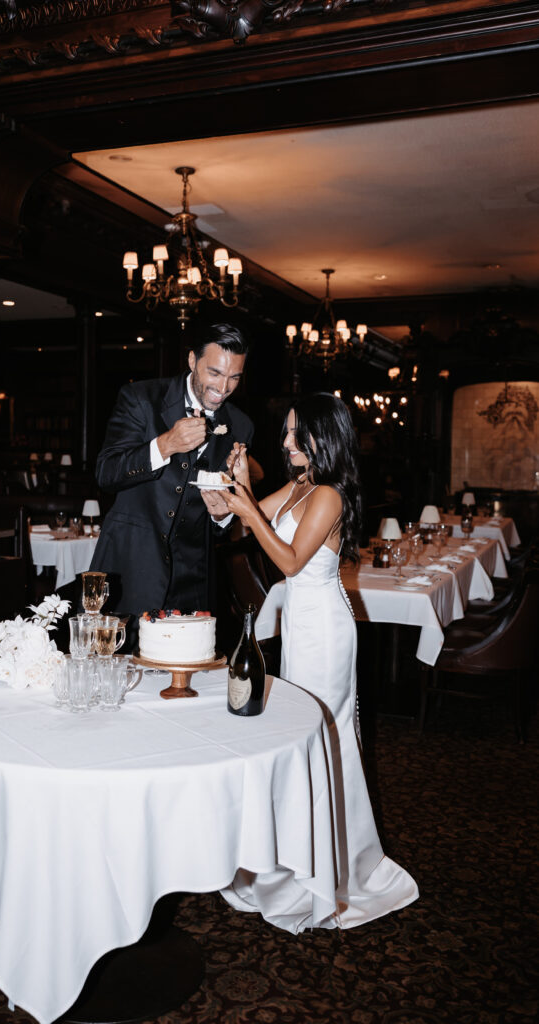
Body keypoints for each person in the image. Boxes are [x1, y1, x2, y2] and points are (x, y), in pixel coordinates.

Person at [218, 392, 418, 930]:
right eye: (284, 433)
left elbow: (286, 560)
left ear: (320, 437)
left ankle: (336, 867)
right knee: (298, 739)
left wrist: (246, 509)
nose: (284, 444)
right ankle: (298, 857)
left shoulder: (328, 493)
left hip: (325, 632)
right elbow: (252, 521)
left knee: (322, 742)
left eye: (293, 434)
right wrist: (239, 487)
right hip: (300, 626)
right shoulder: (302, 485)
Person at [89, 323, 254, 640]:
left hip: (192, 583)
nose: (224, 387)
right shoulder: (140, 399)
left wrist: (222, 513)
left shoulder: (242, 426)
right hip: (128, 570)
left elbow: (223, 517)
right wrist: (165, 445)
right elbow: (106, 473)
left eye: (234, 377)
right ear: (192, 361)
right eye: (215, 373)